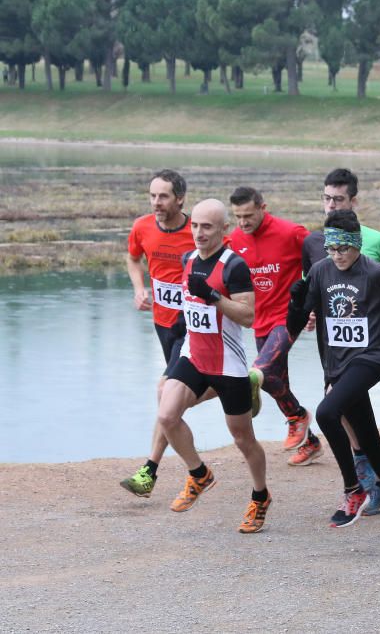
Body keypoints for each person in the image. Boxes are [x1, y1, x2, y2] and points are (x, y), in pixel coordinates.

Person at [288, 209, 380, 540]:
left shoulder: (375, 271)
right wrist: (296, 305)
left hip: (370, 358)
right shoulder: (321, 271)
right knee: (369, 440)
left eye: (343, 249)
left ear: (356, 245)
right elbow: (295, 327)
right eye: (331, 249)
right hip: (336, 365)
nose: (337, 256)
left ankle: (353, 489)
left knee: (326, 412)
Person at [302, 168, 380, 513]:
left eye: (338, 199)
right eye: (326, 198)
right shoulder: (314, 243)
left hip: (371, 349)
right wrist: (310, 313)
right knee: (357, 424)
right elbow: (315, 290)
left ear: (354, 202)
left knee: (332, 407)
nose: (330, 205)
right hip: (334, 351)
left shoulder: (375, 241)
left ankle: (361, 482)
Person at [156, 199, 271, 533]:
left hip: (228, 365)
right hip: (194, 357)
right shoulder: (187, 259)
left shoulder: (234, 266)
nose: (198, 233)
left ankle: (260, 496)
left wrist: (214, 297)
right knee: (166, 414)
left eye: (207, 227)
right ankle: (199, 474)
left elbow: (248, 317)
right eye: (195, 225)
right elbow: (191, 307)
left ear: (224, 229)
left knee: (243, 440)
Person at [121, 170, 202, 497]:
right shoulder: (142, 227)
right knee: (178, 396)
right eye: (152, 195)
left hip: (192, 325)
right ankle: (248, 385)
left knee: (165, 391)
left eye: (163, 196)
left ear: (179, 199)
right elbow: (132, 257)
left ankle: (150, 470)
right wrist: (139, 288)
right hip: (163, 323)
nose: (156, 202)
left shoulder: (198, 230)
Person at [227, 187, 317, 465]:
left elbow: (322, 259)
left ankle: (297, 416)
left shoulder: (291, 232)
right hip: (259, 320)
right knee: (275, 381)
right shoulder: (234, 240)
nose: (243, 222)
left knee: (261, 371)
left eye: (248, 215)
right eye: (238, 217)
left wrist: (313, 301)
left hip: (289, 315)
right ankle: (310, 440)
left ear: (262, 207)